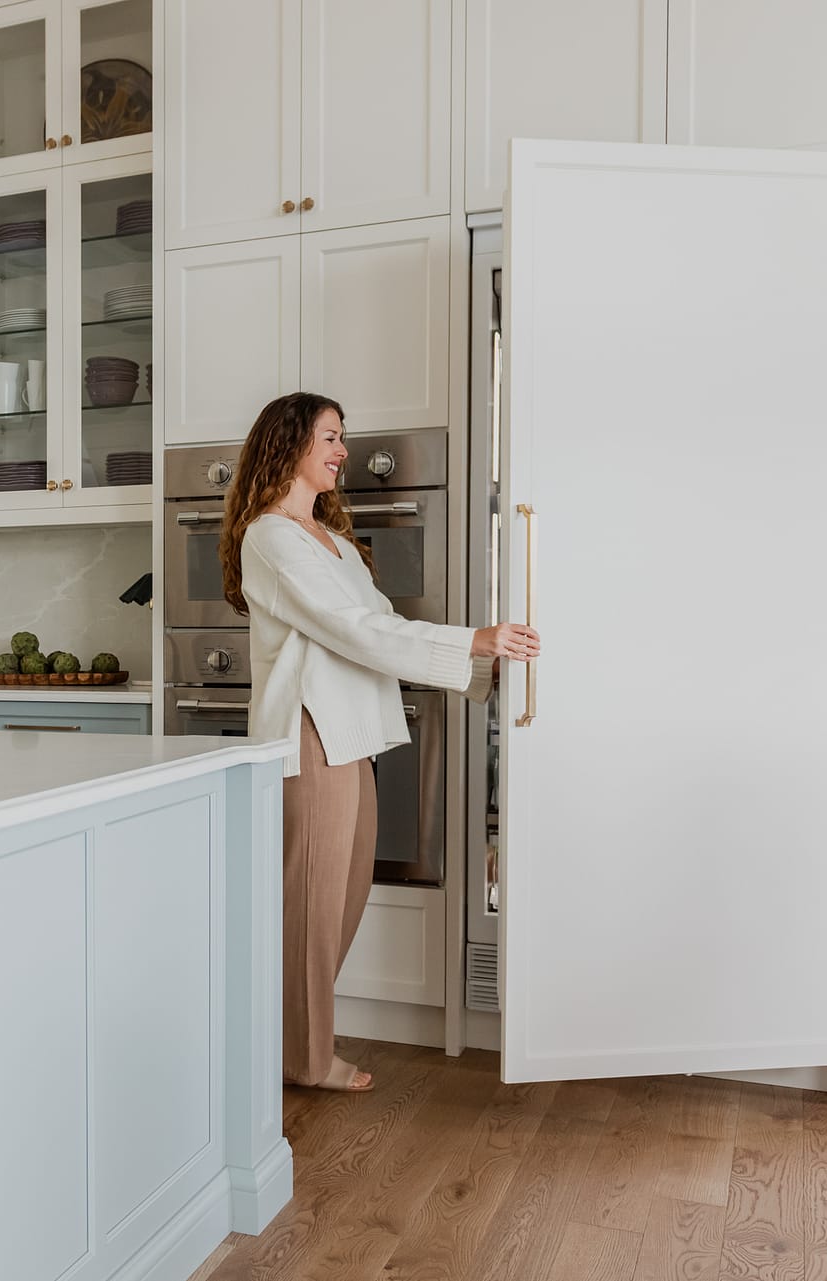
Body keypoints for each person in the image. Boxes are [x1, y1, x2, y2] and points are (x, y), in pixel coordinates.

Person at [219, 392, 539, 1092]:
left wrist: (483, 661)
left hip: (349, 731)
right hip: (308, 732)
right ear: (288, 444)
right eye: (329, 437)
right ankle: (301, 1055)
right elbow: (354, 631)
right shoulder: (270, 536)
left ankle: (275, 1036)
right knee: (311, 902)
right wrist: (472, 643)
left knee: (343, 894)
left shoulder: (330, 539)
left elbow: (380, 625)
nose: (342, 451)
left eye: (342, 438)